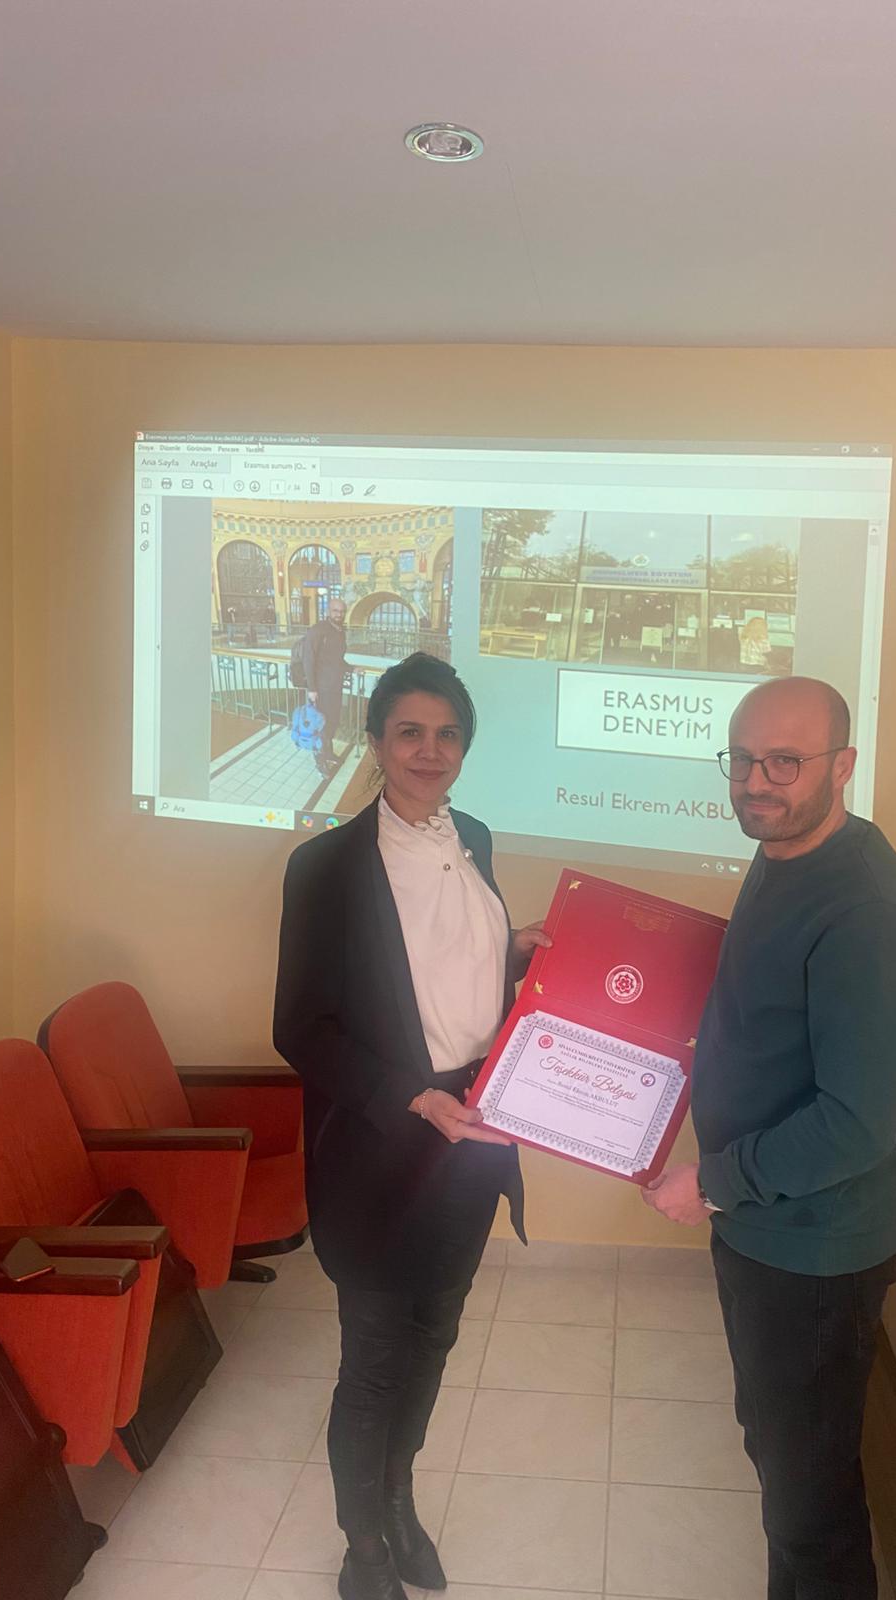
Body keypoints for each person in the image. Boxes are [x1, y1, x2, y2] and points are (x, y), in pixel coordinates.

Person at [643, 676, 896, 1600]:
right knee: (783, 1457)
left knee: (808, 1508)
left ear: (842, 766)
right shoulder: (784, 853)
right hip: (762, 1226)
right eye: (742, 760)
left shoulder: (871, 912)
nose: (756, 782)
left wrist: (713, 1182)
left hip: (814, 1251)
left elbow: (853, 1125)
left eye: (785, 762)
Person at [273, 653, 549, 1600]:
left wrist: (513, 953)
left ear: (465, 746)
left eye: (448, 734)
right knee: (375, 1359)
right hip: (382, 1146)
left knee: (434, 1337)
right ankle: (364, 1548)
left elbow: (439, 977)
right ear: (376, 741)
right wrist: (411, 1096)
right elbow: (302, 1026)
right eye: (410, 733)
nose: (430, 752)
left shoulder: (473, 837)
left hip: (472, 1137)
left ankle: (397, 1501)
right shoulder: (324, 867)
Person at [302, 598, 349, 775]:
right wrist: (312, 689)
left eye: (342, 611)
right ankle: (320, 760)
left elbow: (337, 660)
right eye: (336, 611)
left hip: (335, 687)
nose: (339, 614)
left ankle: (328, 753)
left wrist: (352, 668)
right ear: (328, 611)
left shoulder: (340, 631)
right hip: (321, 689)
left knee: (333, 722)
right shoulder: (318, 630)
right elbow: (308, 659)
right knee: (321, 725)